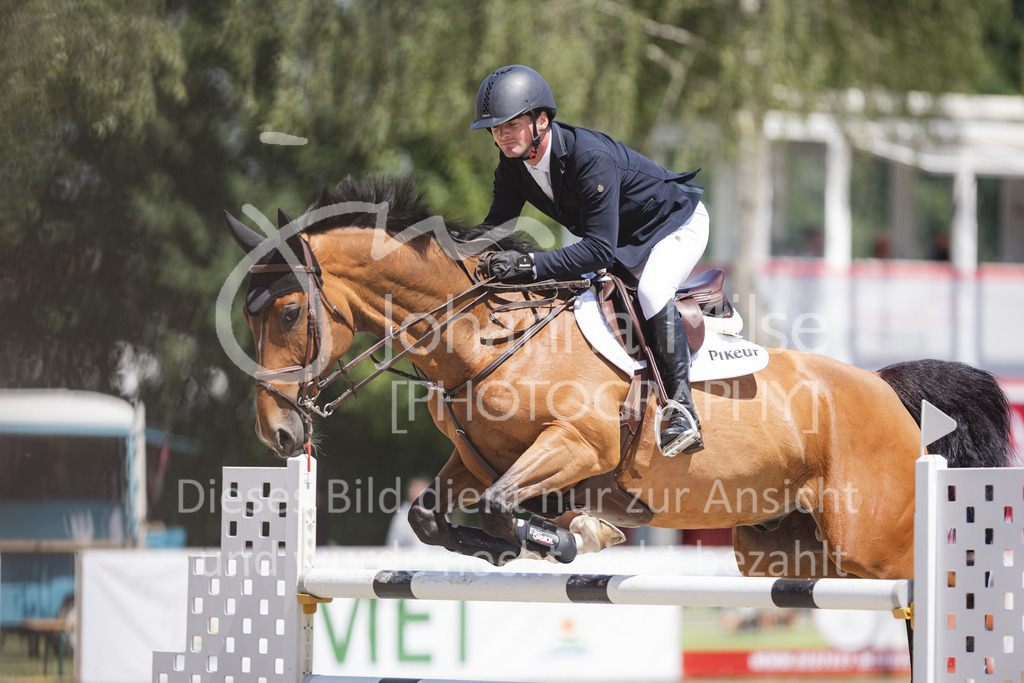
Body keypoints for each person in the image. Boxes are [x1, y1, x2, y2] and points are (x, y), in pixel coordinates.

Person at [471, 65, 709, 456]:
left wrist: (528, 265)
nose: (502, 135)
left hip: (673, 226)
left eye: (511, 124)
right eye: (496, 129)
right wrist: (450, 252)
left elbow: (598, 250)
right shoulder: (512, 168)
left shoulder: (588, 158)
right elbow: (494, 232)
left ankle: (682, 409)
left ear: (541, 120)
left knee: (651, 290)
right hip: (621, 242)